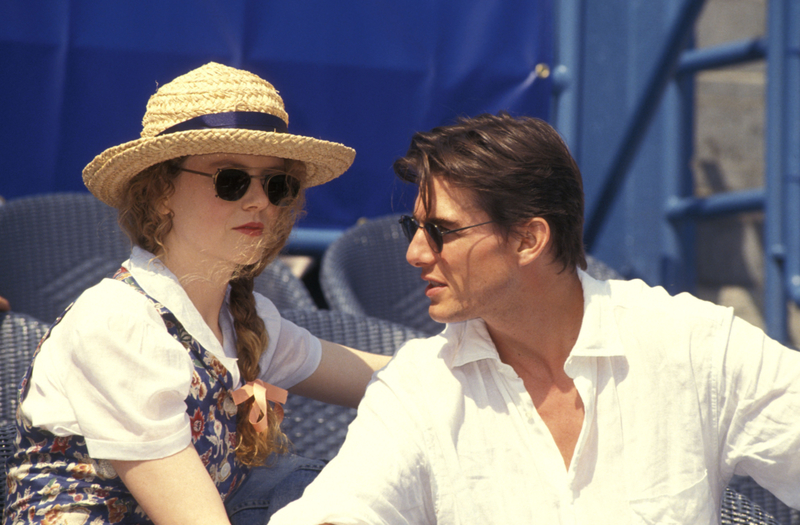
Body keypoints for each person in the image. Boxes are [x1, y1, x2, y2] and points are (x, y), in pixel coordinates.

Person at [269, 112, 800, 524]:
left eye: (442, 231)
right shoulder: (420, 388)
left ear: (529, 239)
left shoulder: (692, 345)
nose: (414, 253)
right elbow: (347, 505)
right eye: (416, 227)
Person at [3, 62, 389, 525]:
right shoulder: (118, 323)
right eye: (230, 179)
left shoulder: (246, 320)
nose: (260, 200)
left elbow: (393, 379)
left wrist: (485, 360)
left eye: (277, 183)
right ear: (161, 192)